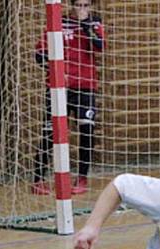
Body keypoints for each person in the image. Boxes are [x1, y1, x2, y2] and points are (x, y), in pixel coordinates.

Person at [32, 0, 105, 196]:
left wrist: (84, 23)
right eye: (78, 5)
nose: (82, 9)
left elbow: (99, 46)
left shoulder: (95, 23)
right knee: (51, 132)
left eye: (86, 5)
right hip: (58, 89)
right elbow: (39, 55)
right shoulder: (58, 23)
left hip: (85, 87)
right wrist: (55, 71)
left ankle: (81, 178)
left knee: (86, 131)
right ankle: (38, 179)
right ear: (70, 5)